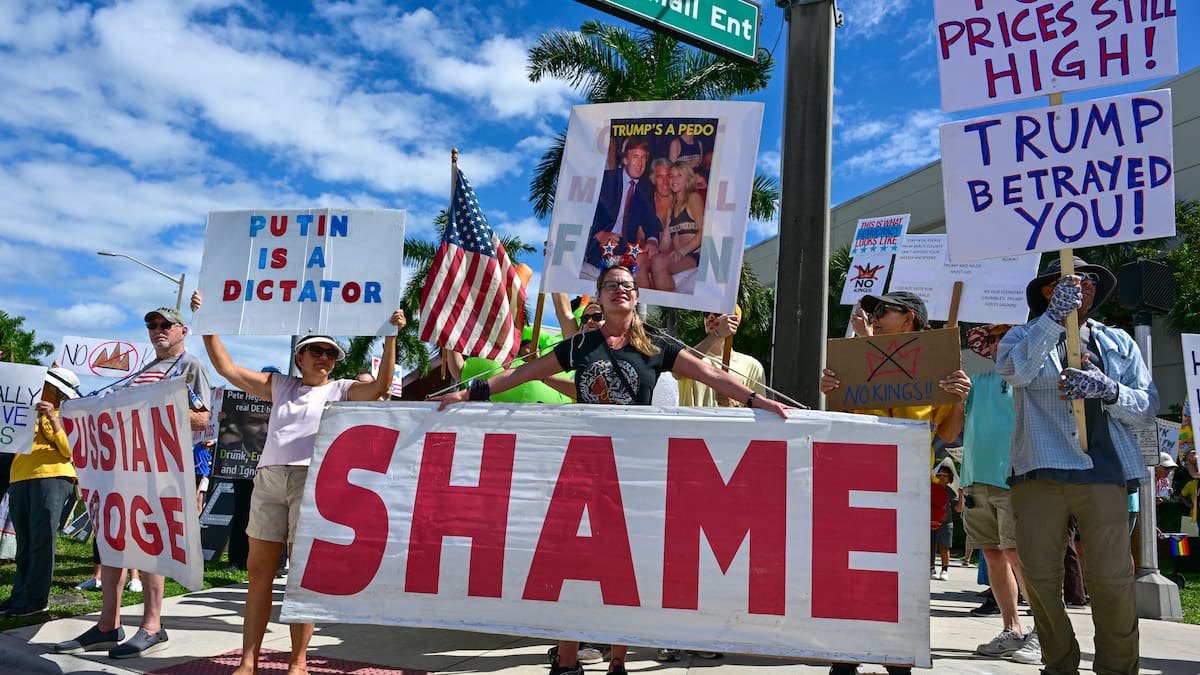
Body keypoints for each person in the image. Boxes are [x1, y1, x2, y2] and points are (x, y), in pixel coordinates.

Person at [434, 264, 789, 675]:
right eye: (611, 285)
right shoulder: (581, 346)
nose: (620, 289)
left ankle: (618, 660)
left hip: (634, 473)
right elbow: (519, 374)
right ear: (599, 296)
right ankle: (567, 661)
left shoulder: (658, 346)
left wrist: (755, 401)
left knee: (626, 569)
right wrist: (466, 392)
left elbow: (711, 374)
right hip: (584, 468)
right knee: (572, 562)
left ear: (637, 295)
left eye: (627, 285)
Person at [192, 291, 404, 675]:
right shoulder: (280, 385)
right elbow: (226, 367)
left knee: (302, 578)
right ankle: (247, 660)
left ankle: (298, 662)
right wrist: (208, 321)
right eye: (316, 351)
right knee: (259, 573)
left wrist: (390, 338)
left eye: (330, 353)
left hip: (313, 482)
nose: (324, 357)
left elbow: (379, 387)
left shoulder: (341, 389)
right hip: (269, 479)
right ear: (300, 358)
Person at [995, 256, 1157, 675]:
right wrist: (1052, 320)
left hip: (1104, 474)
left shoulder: (1118, 342)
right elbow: (1017, 372)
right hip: (1039, 471)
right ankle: (1059, 663)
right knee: (1042, 581)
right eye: (1070, 281)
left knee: (1113, 581)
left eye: (1088, 281)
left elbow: (1146, 408)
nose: (1083, 286)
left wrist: (1109, 389)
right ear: (1049, 291)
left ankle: (1117, 669)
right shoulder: (1022, 335)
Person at [819, 291, 970, 675]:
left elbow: (949, 434)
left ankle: (898, 656)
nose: (875, 316)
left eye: (883, 311)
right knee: (852, 573)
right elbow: (843, 416)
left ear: (909, 319)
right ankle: (846, 656)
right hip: (858, 480)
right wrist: (832, 388)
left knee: (901, 579)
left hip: (910, 486)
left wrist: (958, 400)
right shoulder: (856, 361)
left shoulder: (935, 366)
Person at [56, 306, 213, 658]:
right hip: (121, 473)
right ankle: (107, 626)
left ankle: (152, 626)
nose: (157, 330)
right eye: (151, 325)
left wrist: (150, 409)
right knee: (112, 543)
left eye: (165, 325)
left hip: (158, 472)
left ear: (182, 330)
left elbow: (203, 420)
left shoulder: (190, 366)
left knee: (150, 545)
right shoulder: (142, 370)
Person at [959, 324, 1040, 663]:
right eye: (992, 339)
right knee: (993, 555)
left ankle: (1045, 633)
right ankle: (1013, 629)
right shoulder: (976, 379)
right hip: (976, 478)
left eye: (1004, 337)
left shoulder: (1028, 378)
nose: (997, 344)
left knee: (1017, 556)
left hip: (1014, 478)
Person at [0, 367, 81, 617]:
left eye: (45, 383)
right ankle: (19, 595)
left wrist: (53, 419)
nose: (39, 385)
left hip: (52, 476)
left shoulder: (67, 414)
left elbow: (70, 450)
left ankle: (36, 599)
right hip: (20, 477)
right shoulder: (24, 411)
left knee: (41, 539)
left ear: (55, 391)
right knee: (24, 541)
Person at [583, 139, 661, 276]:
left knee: (643, 260)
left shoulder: (645, 188)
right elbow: (584, 210)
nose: (640, 163)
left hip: (626, 246)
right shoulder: (606, 180)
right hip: (599, 246)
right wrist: (599, 234)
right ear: (625, 160)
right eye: (635, 157)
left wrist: (652, 241)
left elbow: (651, 220)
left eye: (644, 158)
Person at [677, 309, 765, 408]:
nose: (710, 317)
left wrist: (734, 406)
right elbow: (677, 371)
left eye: (717, 312)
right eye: (706, 313)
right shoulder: (688, 356)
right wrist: (717, 334)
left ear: (734, 320)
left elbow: (759, 414)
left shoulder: (752, 366)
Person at [648, 161, 703, 292]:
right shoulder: (671, 208)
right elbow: (665, 244)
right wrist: (653, 248)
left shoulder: (693, 198)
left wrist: (682, 251)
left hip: (695, 255)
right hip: (679, 258)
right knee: (652, 261)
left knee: (658, 262)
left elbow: (704, 232)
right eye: (671, 176)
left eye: (679, 175)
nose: (673, 179)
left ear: (688, 178)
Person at [931, 460, 958, 581]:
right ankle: (931, 568)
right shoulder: (931, 488)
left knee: (945, 547)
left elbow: (957, 508)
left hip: (947, 522)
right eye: (939, 474)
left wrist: (962, 496)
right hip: (933, 522)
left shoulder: (950, 491)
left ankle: (945, 569)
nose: (941, 477)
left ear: (949, 478)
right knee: (931, 546)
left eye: (945, 475)